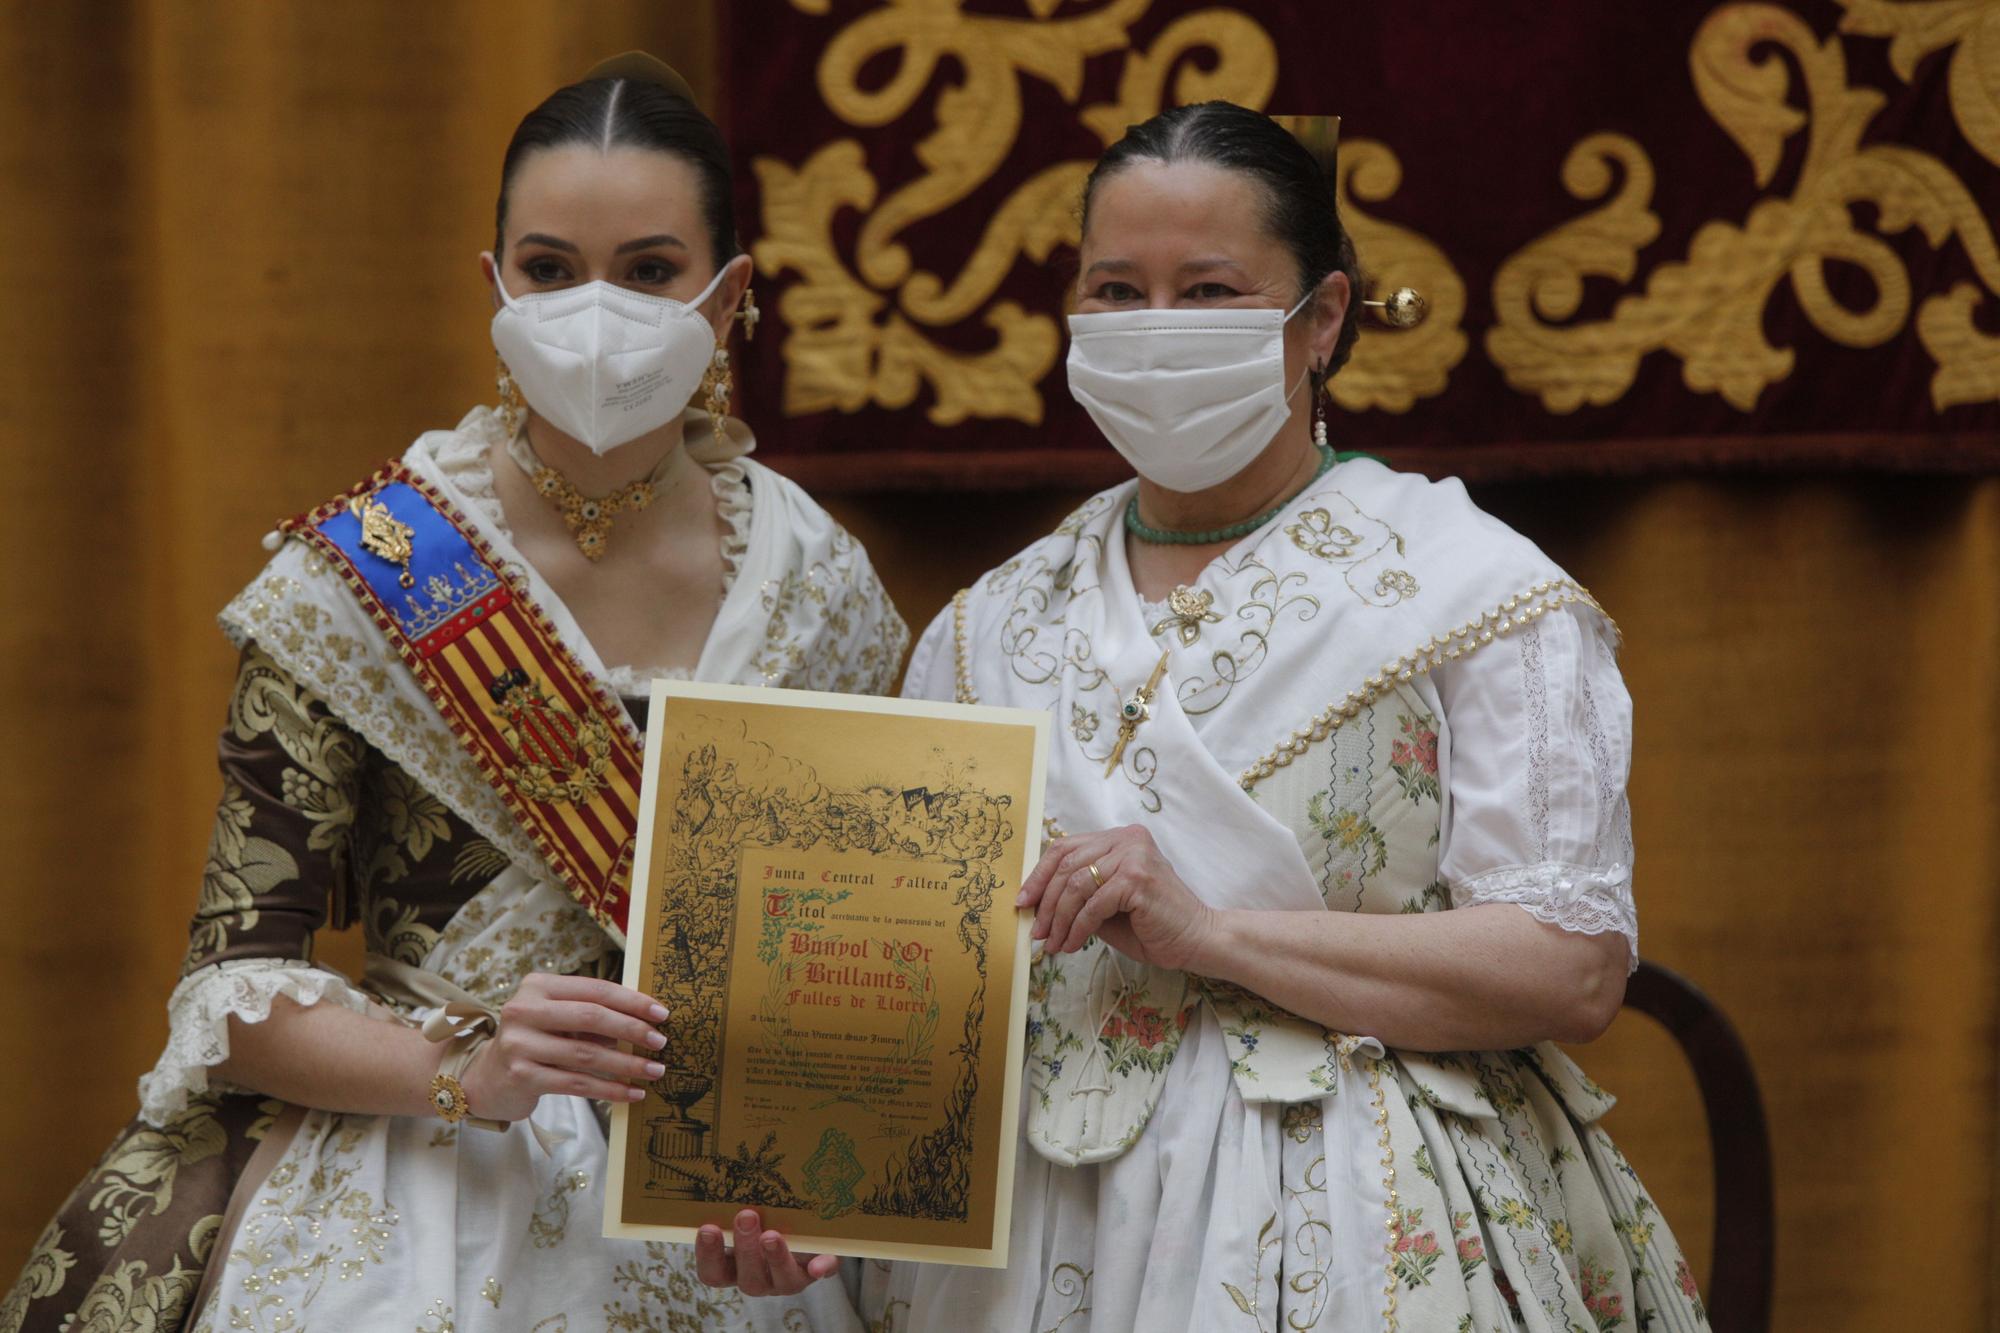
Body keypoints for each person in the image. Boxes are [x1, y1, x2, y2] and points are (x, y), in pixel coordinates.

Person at [697, 100, 1711, 1332]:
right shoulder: (983, 630)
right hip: (1013, 1248)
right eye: (1116, 291)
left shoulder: (1470, 590)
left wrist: (1211, 930)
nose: (1154, 329)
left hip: (1352, 1228)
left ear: (1321, 318)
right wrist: (802, 1200)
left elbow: (1567, 966)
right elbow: (904, 992)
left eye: (1210, 288)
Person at [2, 54, 902, 1333]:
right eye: (549, 268)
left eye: (647, 270)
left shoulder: (822, 589)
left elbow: (861, 974)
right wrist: (469, 1070)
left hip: (707, 1210)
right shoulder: (364, 573)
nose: (595, 310)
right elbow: (234, 989)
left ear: (728, 292)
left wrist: (801, 1206)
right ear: (493, 288)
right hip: (419, 1195)